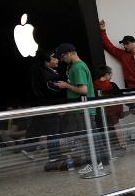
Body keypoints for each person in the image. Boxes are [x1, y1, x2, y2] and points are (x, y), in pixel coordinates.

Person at [53, 43, 109, 174]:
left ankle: (94, 163)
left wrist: (66, 85)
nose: (62, 60)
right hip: (85, 108)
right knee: (93, 135)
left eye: (62, 57)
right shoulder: (80, 66)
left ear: (69, 53)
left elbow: (83, 89)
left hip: (83, 108)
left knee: (87, 137)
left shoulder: (77, 67)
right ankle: (100, 161)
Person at [99, 20, 135, 144]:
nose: (124, 46)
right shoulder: (123, 55)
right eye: (124, 44)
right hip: (130, 90)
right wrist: (102, 30)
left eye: (126, 44)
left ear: (133, 43)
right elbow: (108, 45)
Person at [27, 50, 66, 164]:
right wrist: (64, 86)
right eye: (54, 59)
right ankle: (54, 156)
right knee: (52, 131)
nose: (57, 60)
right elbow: (53, 90)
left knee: (49, 131)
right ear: (46, 62)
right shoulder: (47, 74)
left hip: (41, 105)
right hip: (48, 105)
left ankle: (55, 154)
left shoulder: (39, 71)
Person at [93, 65, 127, 150]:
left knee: (106, 126)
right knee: (117, 126)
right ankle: (123, 144)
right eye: (111, 74)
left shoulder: (94, 84)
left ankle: (107, 145)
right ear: (106, 74)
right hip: (113, 109)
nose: (112, 76)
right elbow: (120, 95)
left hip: (101, 110)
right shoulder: (111, 85)